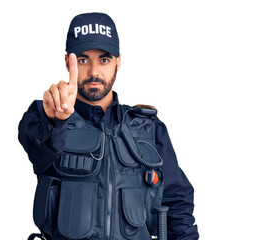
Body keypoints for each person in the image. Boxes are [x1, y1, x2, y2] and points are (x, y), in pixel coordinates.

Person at [18, 12, 199, 240]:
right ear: (68, 62)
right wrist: (56, 120)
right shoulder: (46, 117)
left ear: (118, 62)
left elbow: (177, 203)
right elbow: (39, 152)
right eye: (83, 60)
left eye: (104, 60)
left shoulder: (149, 128)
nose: (94, 72)